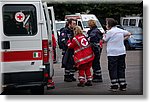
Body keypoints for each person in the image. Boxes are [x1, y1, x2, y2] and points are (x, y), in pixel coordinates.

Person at [103, 18, 131, 91]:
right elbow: (129, 34)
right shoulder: (120, 30)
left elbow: (104, 40)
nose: (106, 25)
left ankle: (114, 85)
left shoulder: (110, 32)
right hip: (121, 52)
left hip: (112, 53)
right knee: (121, 68)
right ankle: (122, 84)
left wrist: (104, 34)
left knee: (113, 69)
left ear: (109, 24)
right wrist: (122, 39)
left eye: (106, 23)